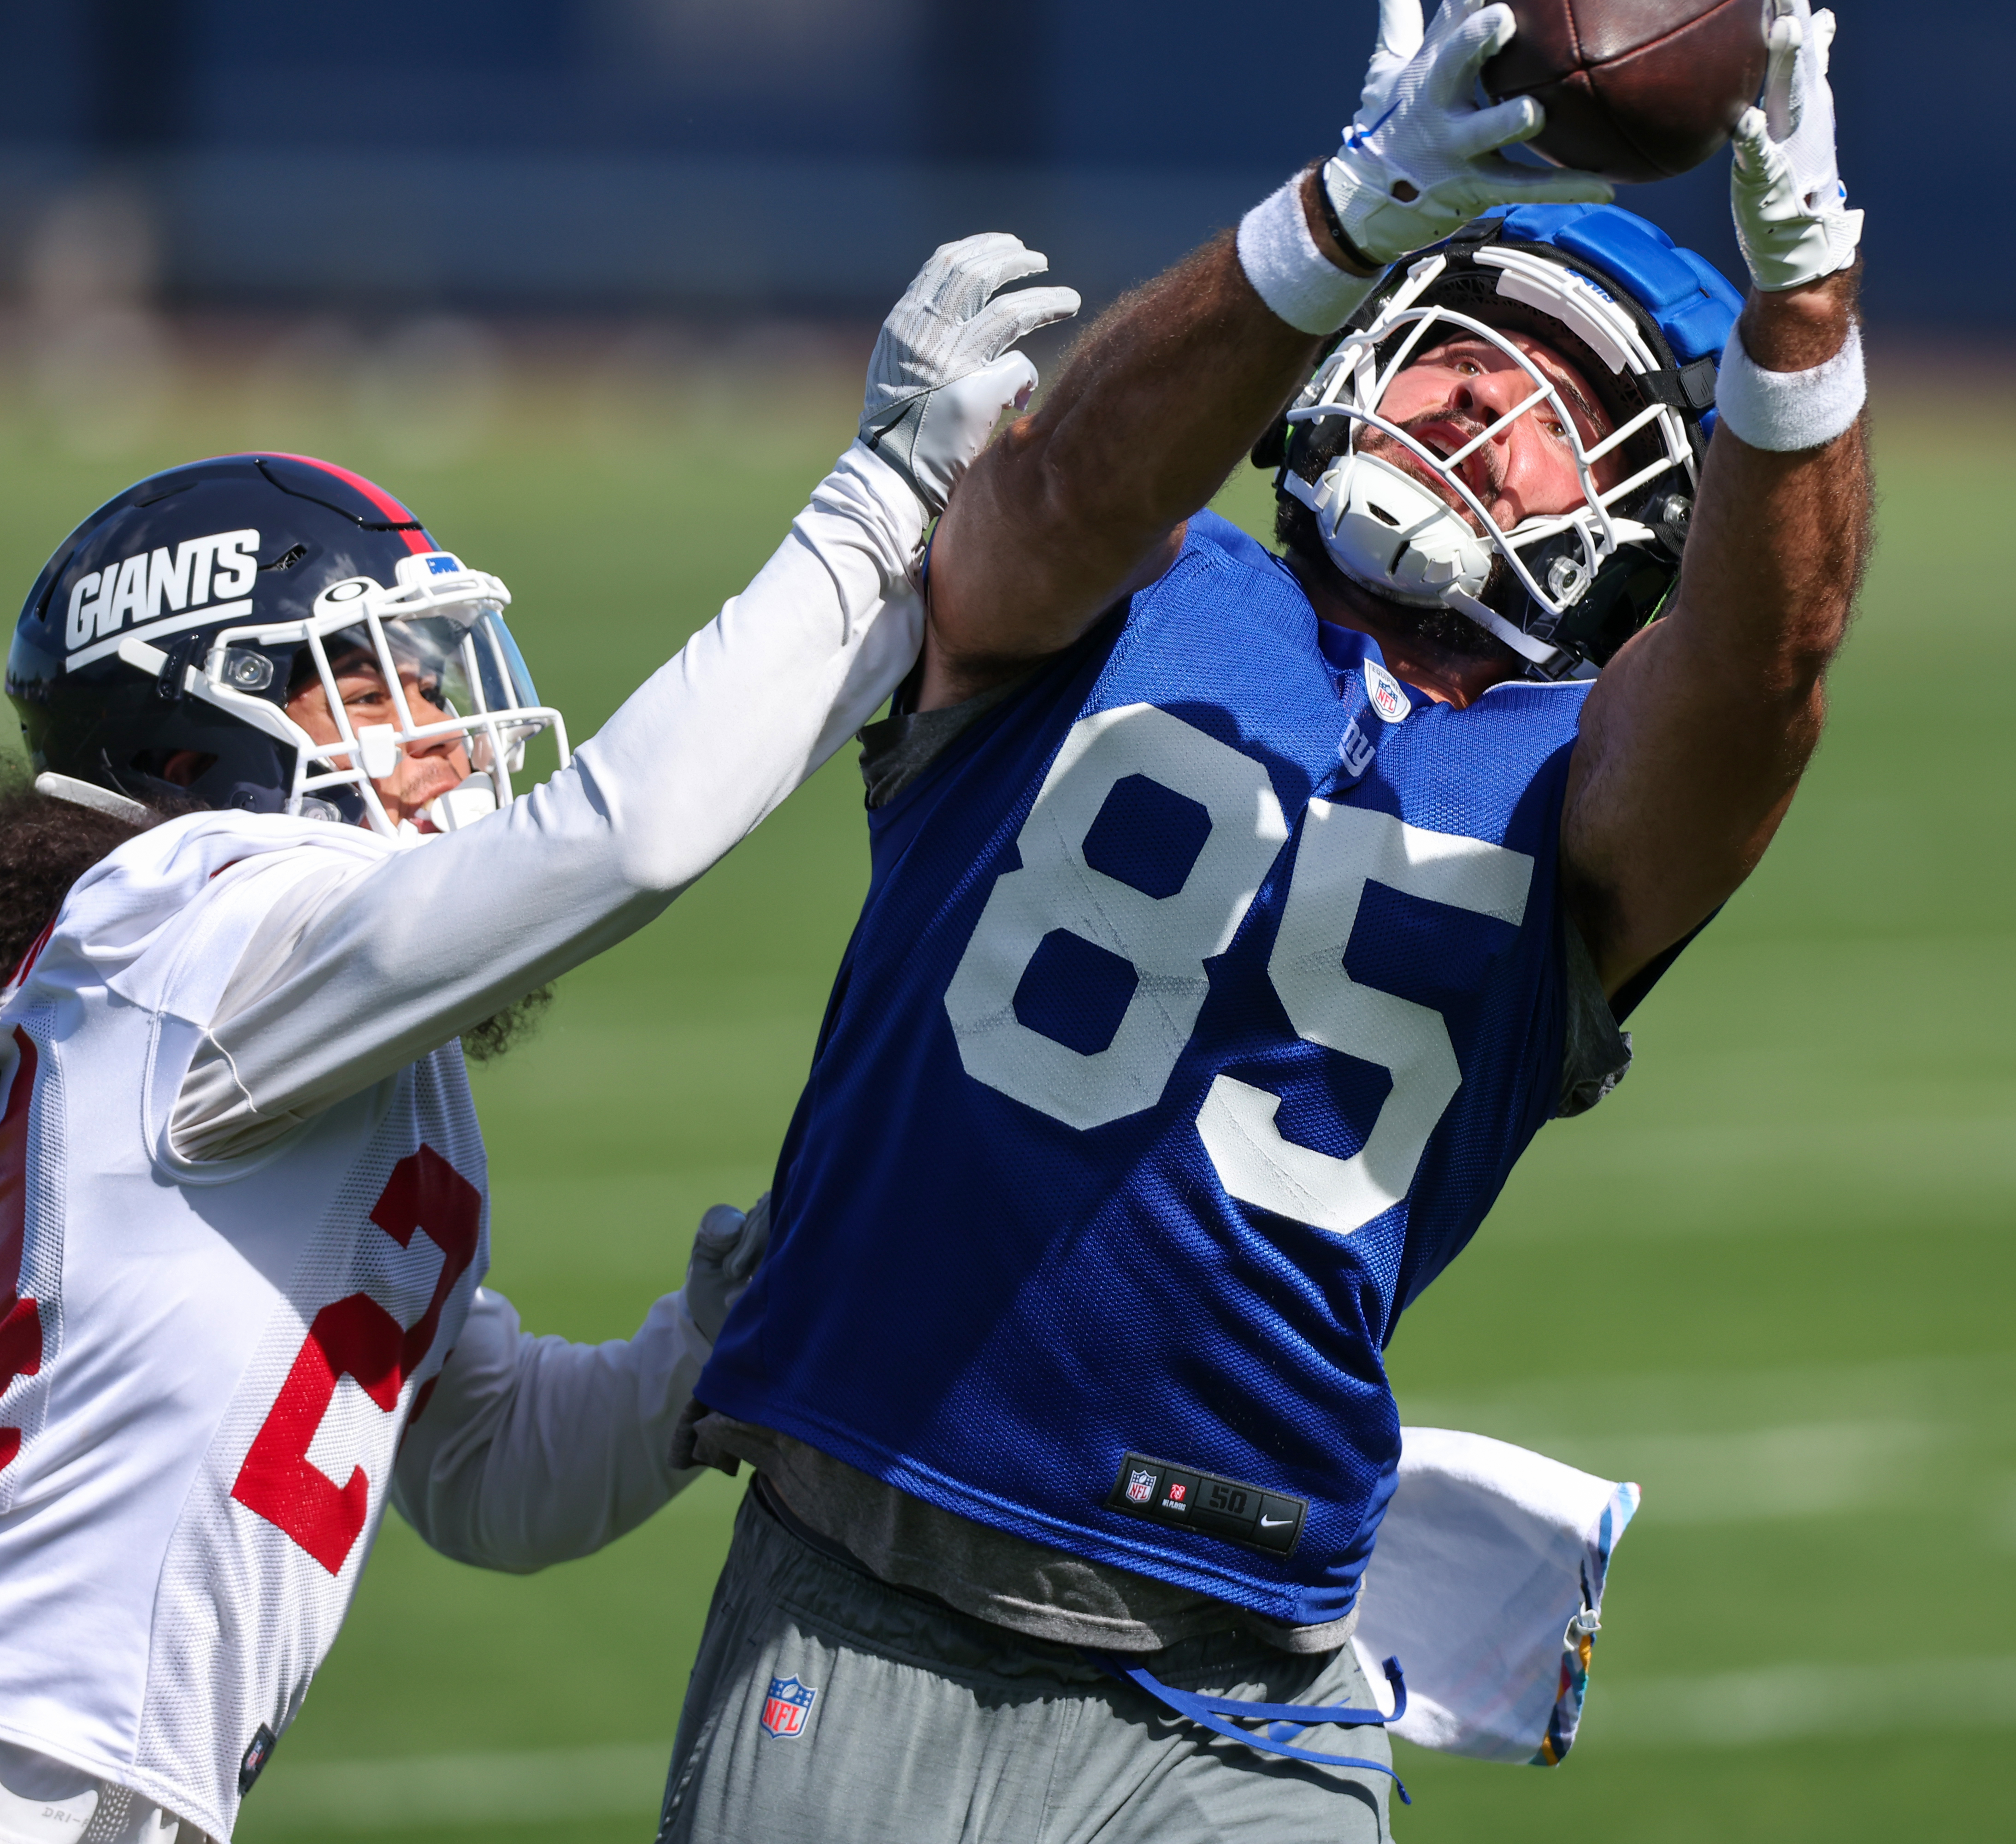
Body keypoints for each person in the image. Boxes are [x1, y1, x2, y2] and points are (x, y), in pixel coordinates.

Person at [663, 0, 1870, 1838]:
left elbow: (1765, 668)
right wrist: (1350, 210)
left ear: (1651, 523)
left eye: (1563, 404)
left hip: (1254, 1673)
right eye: (1457, 346)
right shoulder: (1130, 585)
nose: (1480, 397)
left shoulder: (1591, 789)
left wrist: (1799, 304)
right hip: (869, 1577)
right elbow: (1062, 486)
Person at [0, 239, 1077, 1844]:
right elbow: (622, 836)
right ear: (203, 723)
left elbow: (489, 1466)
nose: (453, 722)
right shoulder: (195, 914)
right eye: (378, 679)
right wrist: (871, 517)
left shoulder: (311, 1039)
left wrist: (715, 1340)